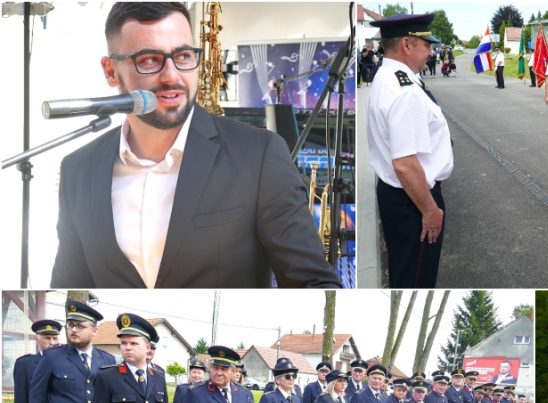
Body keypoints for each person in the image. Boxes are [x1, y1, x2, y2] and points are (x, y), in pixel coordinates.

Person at [51, 2, 341, 289]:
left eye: (184, 56)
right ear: (112, 71)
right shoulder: (79, 170)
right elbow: (70, 285)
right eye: (149, 59)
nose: (172, 76)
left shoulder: (258, 156)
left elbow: (314, 283)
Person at [366, 13, 451, 288]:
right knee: (416, 279)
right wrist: (430, 210)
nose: (431, 51)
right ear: (406, 44)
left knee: (405, 270)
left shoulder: (389, 76)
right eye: (426, 44)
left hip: (400, 194)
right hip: (413, 199)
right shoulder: (403, 90)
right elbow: (404, 163)